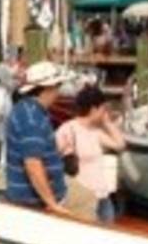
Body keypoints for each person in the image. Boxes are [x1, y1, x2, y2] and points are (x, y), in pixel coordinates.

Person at [4, 61, 86, 217]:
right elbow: (33, 165)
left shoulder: (26, 109)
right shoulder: (32, 120)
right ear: (48, 87)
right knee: (91, 201)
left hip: (36, 194)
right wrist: (53, 204)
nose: (59, 91)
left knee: (86, 194)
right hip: (34, 201)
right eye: (58, 85)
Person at [55, 85, 128, 223]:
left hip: (102, 197)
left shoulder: (95, 131)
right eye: (103, 109)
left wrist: (107, 123)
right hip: (83, 199)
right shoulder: (67, 129)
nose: (105, 112)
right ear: (94, 109)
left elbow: (120, 145)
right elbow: (50, 157)